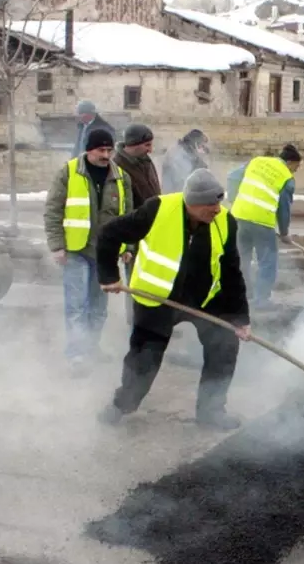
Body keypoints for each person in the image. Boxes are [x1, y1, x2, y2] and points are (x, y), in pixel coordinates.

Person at [95, 169, 251, 431]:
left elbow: (231, 271)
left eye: (219, 202)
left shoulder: (226, 221)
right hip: (158, 298)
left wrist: (240, 318)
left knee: (224, 348)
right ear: (192, 202)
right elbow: (109, 234)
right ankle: (122, 404)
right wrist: (109, 275)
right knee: (145, 357)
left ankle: (211, 411)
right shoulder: (157, 209)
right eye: (210, 204)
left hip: (205, 300)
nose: (216, 209)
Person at [43, 127, 131, 375]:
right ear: (88, 150)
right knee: (76, 305)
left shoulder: (122, 177)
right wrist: (57, 245)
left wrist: (128, 246)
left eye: (109, 150)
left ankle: (91, 347)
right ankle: (77, 354)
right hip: (75, 251)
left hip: (106, 255)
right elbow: (53, 210)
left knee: (98, 307)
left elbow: (129, 217)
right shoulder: (69, 173)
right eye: (101, 150)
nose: (106, 155)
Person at [227, 144, 301, 309]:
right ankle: (261, 301)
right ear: (290, 162)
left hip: (239, 216)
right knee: (267, 261)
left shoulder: (256, 162)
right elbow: (284, 208)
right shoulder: (286, 177)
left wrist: (234, 200)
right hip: (262, 222)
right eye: (296, 167)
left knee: (242, 258)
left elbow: (232, 177)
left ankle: (241, 294)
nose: (295, 171)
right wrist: (284, 232)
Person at [113, 123, 162, 325]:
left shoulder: (145, 160)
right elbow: (120, 206)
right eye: (147, 145)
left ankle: (152, 319)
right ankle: (137, 323)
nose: (151, 149)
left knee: (153, 277)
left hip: (152, 229)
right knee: (135, 278)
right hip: (133, 231)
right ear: (133, 144)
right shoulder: (117, 166)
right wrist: (126, 243)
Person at [161, 129, 210, 194]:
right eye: (202, 145)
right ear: (195, 144)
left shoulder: (189, 154)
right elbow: (184, 183)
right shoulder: (178, 155)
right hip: (176, 197)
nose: (203, 149)